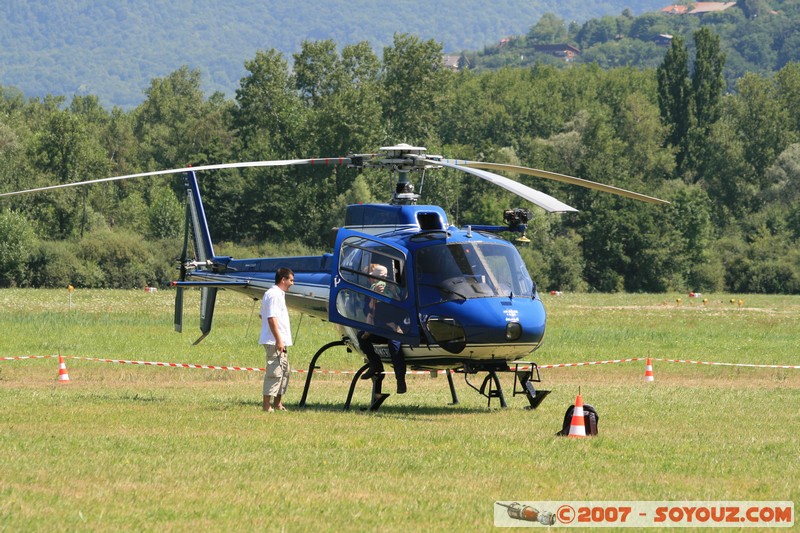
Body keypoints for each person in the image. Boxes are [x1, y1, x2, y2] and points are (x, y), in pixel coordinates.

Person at [359, 264, 407, 394]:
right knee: (361, 337)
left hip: (393, 328)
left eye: (384, 277)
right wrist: (373, 298)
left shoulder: (395, 289)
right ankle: (376, 365)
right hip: (379, 327)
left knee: (394, 346)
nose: (382, 280)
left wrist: (394, 295)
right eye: (378, 277)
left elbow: (403, 309)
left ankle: (400, 380)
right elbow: (367, 311)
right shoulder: (370, 290)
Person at [259, 267, 294, 412]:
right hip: (275, 342)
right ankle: (267, 406)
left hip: (280, 341)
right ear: (283, 280)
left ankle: (278, 404)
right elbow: (271, 318)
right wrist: (278, 339)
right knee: (274, 373)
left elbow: (261, 315)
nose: (292, 283)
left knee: (284, 372)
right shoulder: (274, 294)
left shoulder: (278, 294)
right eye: (291, 280)